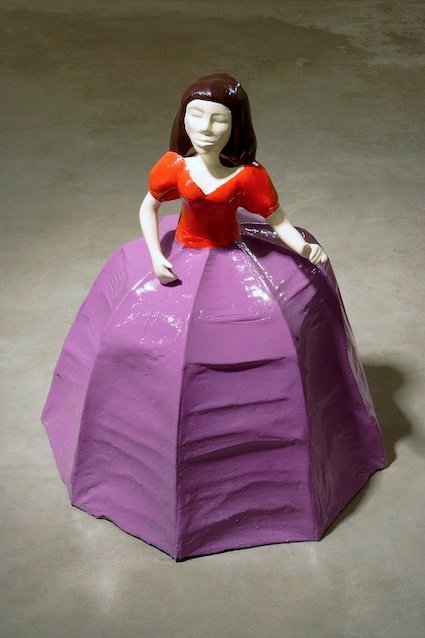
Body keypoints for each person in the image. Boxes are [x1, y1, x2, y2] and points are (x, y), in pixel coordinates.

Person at [42, 74, 387, 560]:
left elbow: (278, 221)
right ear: (182, 120)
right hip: (181, 255)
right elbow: (148, 208)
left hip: (232, 254)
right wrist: (155, 255)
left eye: (218, 120)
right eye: (195, 117)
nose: (205, 128)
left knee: (275, 338)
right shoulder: (172, 166)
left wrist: (304, 248)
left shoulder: (248, 177)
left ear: (235, 127)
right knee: (136, 337)